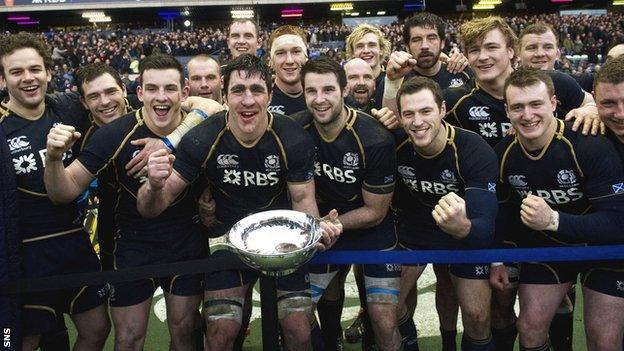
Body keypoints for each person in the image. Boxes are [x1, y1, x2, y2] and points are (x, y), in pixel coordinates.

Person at [136, 54, 341, 351]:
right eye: (238, 90)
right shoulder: (202, 138)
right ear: (225, 93)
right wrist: (153, 186)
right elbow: (152, 206)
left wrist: (318, 230)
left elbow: (303, 200)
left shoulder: (293, 138)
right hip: (226, 239)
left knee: (298, 329)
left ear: (270, 95)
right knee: (220, 332)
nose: (247, 100)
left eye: (256, 90)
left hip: (283, 242)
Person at [43, 53, 223, 351]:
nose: (161, 97)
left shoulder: (199, 128)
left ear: (185, 93)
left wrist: (169, 143)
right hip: (132, 245)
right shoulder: (115, 133)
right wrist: (53, 158)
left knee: (185, 332)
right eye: (152, 89)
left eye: (169, 89)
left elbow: (215, 107)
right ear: (139, 93)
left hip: (186, 241)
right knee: (128, 338)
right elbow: (64, 190)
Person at [492, 67, 624, 351]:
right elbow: (501, 214)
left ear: (553, 103)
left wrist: (553, 220)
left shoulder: (589, 143)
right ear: (507, 110)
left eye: (536, 104)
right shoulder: (503, 154)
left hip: (603, 250)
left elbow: (617, 222)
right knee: (528, 328)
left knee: (604, 341)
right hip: (549, 249)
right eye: (518, 107)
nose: (527, 115)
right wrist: (497, 258)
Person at [0, 32, 110, 351]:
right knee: (22, 341)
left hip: (76, 242)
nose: (28, 78)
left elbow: (122, 106)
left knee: (98, 328)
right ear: (3, 80)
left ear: (49, 72)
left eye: (35, 69)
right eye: (16, 72)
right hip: (25, 254)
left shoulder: (68, 109)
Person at [292, 57, 401, 351]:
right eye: (311, 91)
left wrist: (331, 225)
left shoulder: (375, 138)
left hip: (370, 230)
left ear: (344, 90)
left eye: (328, 90)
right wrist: (319, 225)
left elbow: (376, 212)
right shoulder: (294, 130)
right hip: (321, 227)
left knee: (384, 320)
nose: (319, 99)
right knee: (295, 313)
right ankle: (329, 344)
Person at [393, 76, 498, 351]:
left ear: (442, 110)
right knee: (386, 308)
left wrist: (462, 227)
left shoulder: (473, 149)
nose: (417, 122)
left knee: (477, 316)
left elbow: (485, 228)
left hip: (464, 235)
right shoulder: (394, 144)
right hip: (414, 231)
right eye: (409, 114)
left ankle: (450, 345)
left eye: (426, 111)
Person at [586, 55, 624, 350]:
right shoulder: (586, 134)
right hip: (606, 258)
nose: (620, 113)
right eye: (608, 103)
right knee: (603, 343)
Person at [266, 25, 308, 116]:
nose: (289, 60)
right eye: (280, 53)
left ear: (306, 57)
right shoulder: (262, 103)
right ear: (271, 61)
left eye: (296, 52)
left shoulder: (320, 99)